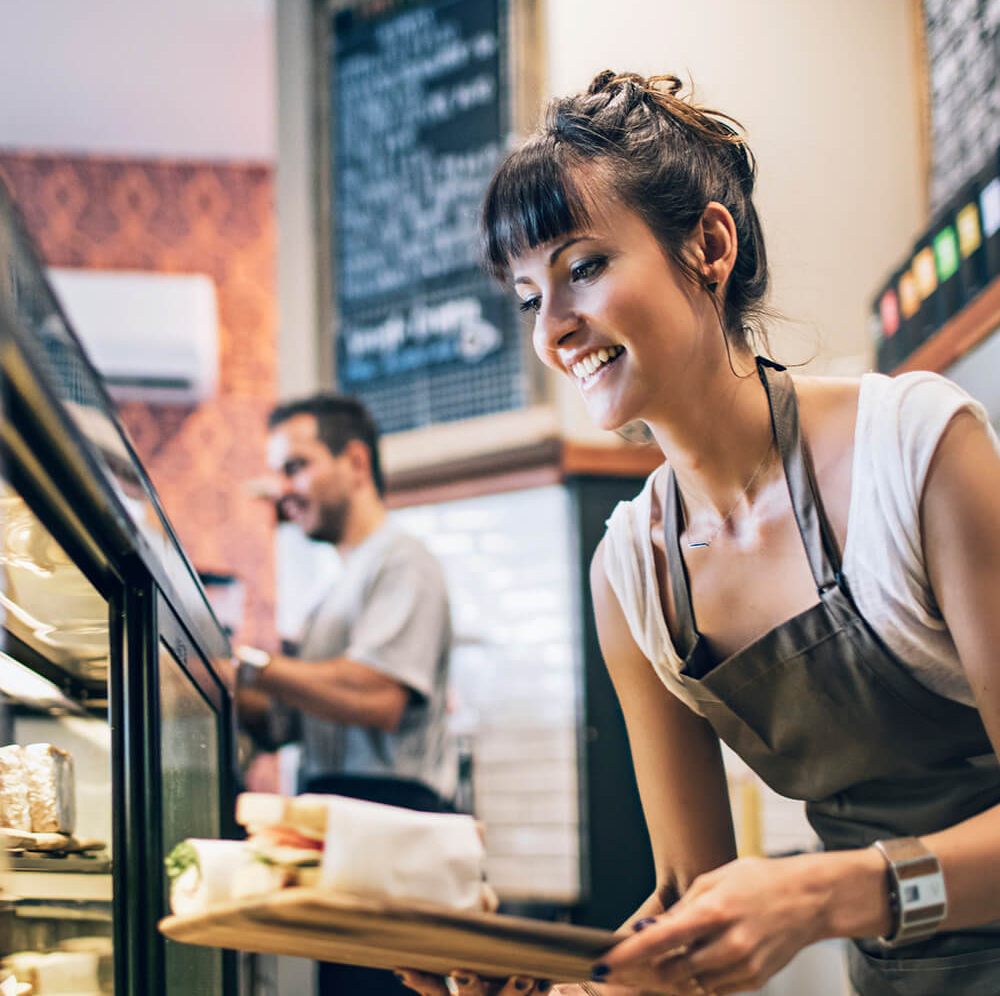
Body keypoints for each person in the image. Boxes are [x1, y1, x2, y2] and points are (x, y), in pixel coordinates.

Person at [401, 70, 1000, 996]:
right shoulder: (632, 573)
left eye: (583, 268)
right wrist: (553, 976)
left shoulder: (916, 450)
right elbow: (692, 898)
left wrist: (828, 896)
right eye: (528, 298)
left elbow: (801, 902)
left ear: (709, 245)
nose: (555, 330)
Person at [235, 392, 457, 996]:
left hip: (391, 822)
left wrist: (254, 666)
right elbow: (282, 727)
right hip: (339, 820)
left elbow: (378, 697)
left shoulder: (402, 562)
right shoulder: (334, 589)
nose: (284, 489)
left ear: (355, 463)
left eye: (295, 466)